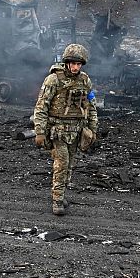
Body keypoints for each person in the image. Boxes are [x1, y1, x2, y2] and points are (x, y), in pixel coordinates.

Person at [33, 44, 98, 216]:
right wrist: (40, 131)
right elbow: (41, 106)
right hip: (58, 131)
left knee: (70, 166)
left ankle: (61, 194)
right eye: (73, 63)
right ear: (67, 62)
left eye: (79, 64)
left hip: (76, 131)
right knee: (61, 164)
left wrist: (93, 129)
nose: (76, 67)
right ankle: (57, 200)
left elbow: (91, 106)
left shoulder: (85, 80)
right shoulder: (53, 80)